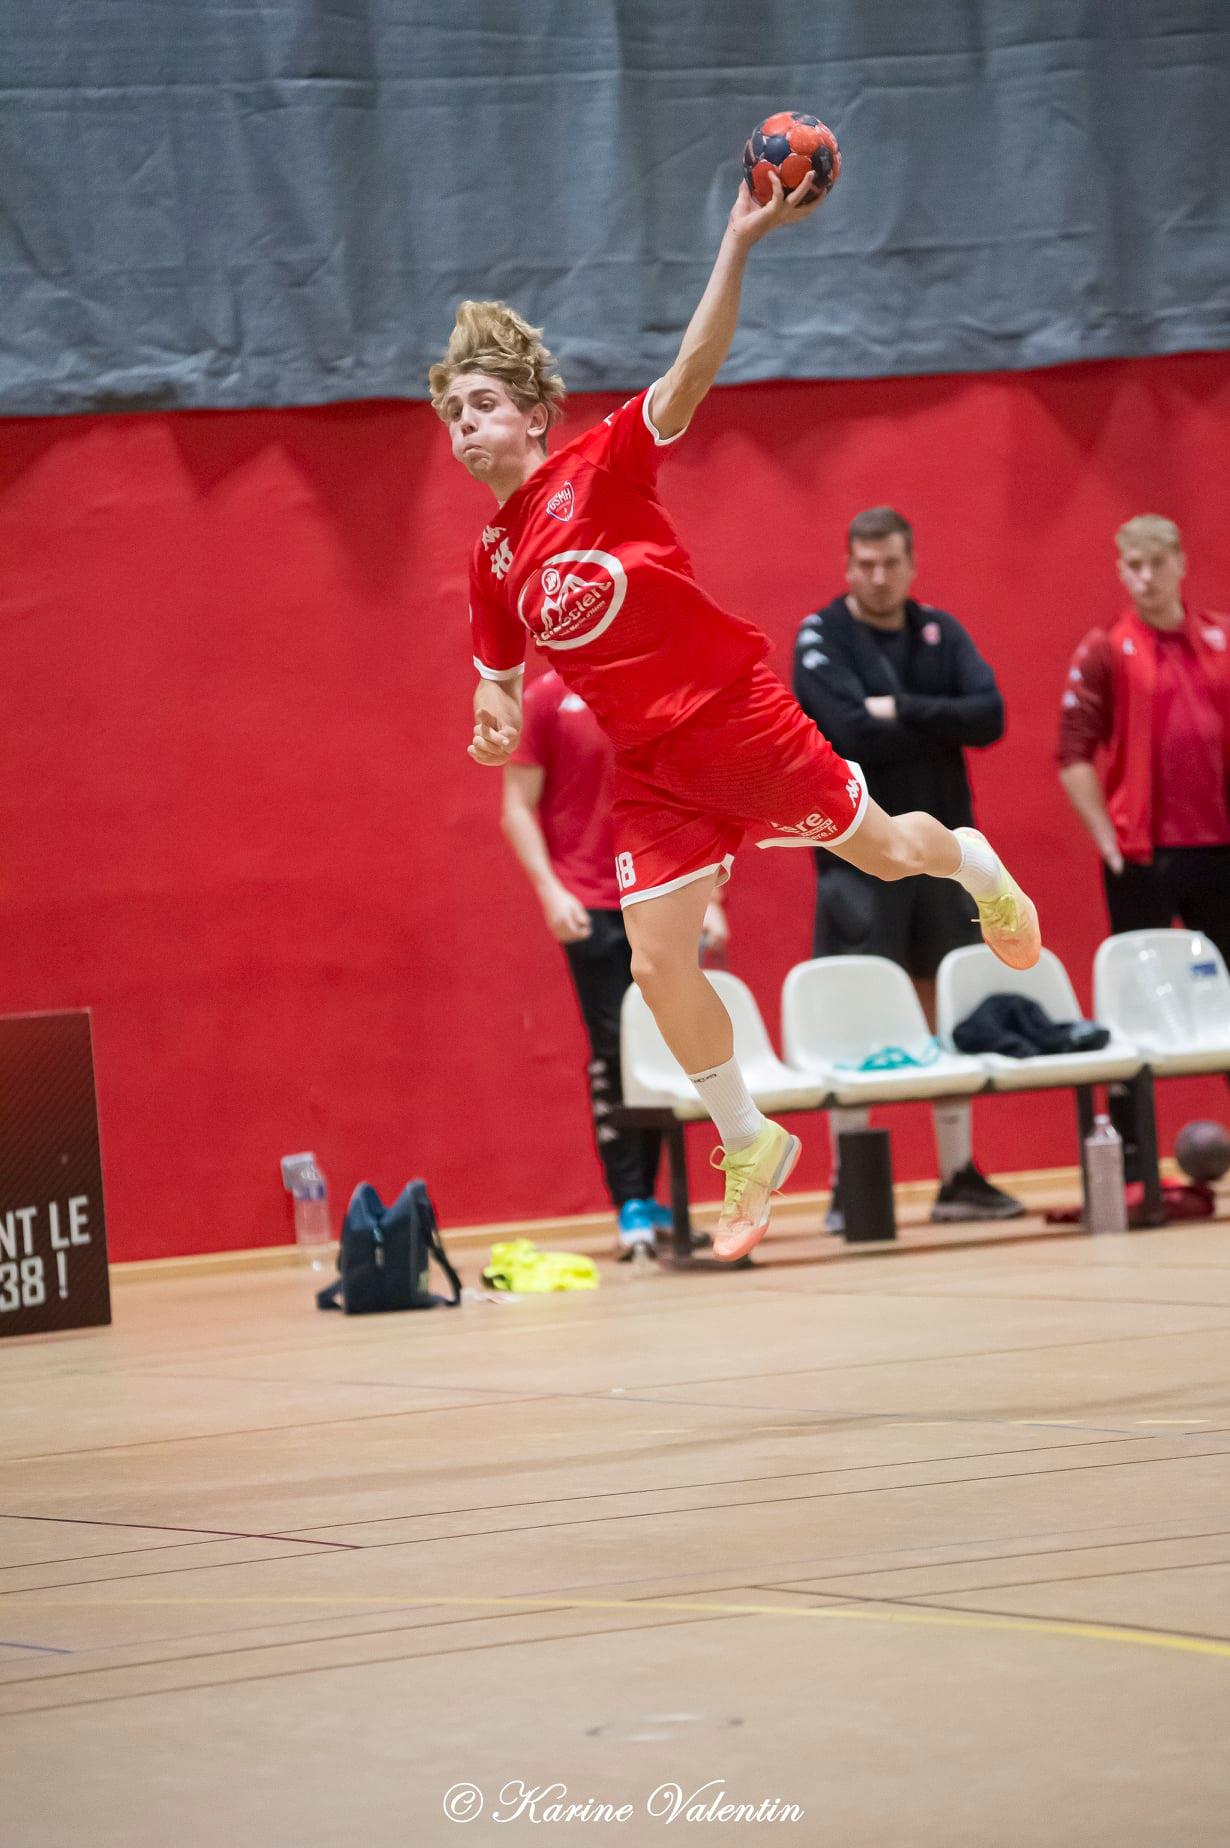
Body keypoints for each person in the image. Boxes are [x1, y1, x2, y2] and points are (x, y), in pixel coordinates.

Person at [431, 168, 1041, 1263]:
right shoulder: (489, 559)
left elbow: (695, 368)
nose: (463, 425)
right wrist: (490, 713)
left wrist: (740, 239)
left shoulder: (601, 466)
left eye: (480, 404)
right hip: (656, 770)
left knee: (895, 855)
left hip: (735, 718)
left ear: (528, 413)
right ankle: (749, 1139)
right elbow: (498, 678)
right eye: (450, 413)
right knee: (657, 965)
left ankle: (978, 865)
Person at [793, 507, 1024, 1225]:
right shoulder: (820, 636)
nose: (878, 576)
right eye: (865, 563)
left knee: (943, 1003)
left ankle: (958, 1175)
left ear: (911, 564)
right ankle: (845, 1186)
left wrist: (901, 709)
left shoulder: (941, 630)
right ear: (847, 565)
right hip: (856, 858)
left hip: (944, 854)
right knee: (860, 1007)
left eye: (891, 563)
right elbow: (849, 729)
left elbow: (989, 715)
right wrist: (932, 718)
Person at [502, 666, 728, 1258]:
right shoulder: (546, 700)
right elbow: (516, 806)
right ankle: (629, 1201)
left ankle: (658, 1202)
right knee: (614, 1049)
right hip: (591, 903)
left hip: (659, 895)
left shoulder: (657, 692)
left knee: (672, 1048)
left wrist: (710, 898)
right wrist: (551, 891)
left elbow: (692, 798)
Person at [1059, 515, 1230, 959]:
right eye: (1136, 565)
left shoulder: (1223, 638)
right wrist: (1105, 840)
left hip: (1221, 846)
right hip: (1141, 852)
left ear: (1181, 563)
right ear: (1121, 570)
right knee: (1142, 981)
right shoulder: (1107, 647)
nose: (1147, 576)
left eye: (1158, 562)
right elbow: (1073, 751)